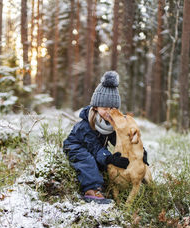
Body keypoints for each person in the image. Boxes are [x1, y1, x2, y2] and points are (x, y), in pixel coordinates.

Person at [63, 71, 147, 204]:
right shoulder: (86, 125)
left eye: (112, 108)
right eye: (105, 108)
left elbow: (121, 139)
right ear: (96, 107)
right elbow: (94, 148)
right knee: (88, 160)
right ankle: (92, 191)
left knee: (102, 165)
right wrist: (109, 158)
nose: (109, 112)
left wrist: (140, 153)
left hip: (96, 149)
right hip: (76, 147)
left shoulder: (110, 124)